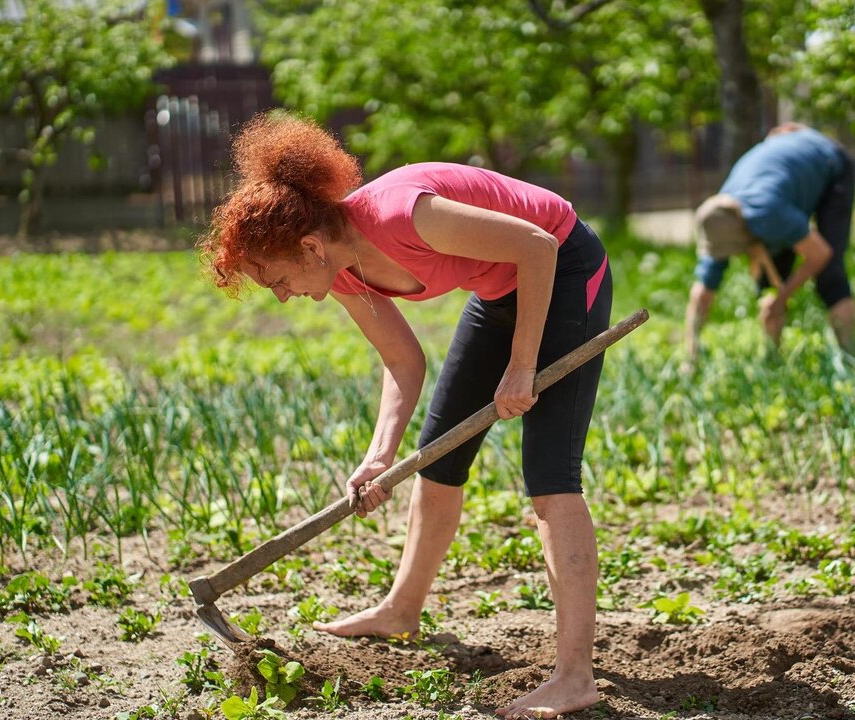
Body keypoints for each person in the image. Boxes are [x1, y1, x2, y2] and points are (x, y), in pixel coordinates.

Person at [198, 113, 612, 720]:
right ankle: (401, 609)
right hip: (501, 291)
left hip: (565, 270)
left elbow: (537, 246)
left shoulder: (401, 214)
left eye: (279, 280)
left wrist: (523, 367)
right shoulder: (340, 272)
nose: (283, 296)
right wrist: (378, 454)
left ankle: (575, 676)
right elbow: (402, 359)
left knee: (550, 479)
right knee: (438, 460)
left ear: (309, 246)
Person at [685, 123, 855, 357]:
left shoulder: (765, 213)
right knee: (769, 281)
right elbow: (702, 292)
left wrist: (782, 297)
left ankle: (850, 360)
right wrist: (691, 354)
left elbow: (821, 254)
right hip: (788, 177)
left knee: (830, 274)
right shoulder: (719, 219)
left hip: (829, 162)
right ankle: (773, 361)